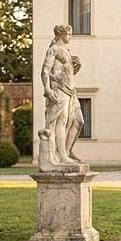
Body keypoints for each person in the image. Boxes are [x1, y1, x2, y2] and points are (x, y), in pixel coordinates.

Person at [41, 25, 84, 165]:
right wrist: (47, 89)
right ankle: (62, 156)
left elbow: (69, 73)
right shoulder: (54, 49)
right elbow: (45, 70)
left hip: (70, 90)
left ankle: (67, 150)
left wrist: (77, 66)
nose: (70, 36)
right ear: (60, 34)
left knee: (78, 121)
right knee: (61, 122)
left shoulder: (67, 50)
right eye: (68, 34)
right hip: (59, 89)